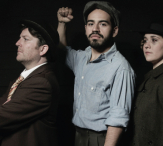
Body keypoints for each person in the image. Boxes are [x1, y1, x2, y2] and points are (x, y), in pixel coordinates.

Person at [57, 1, 135, 146]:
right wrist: (62, 23)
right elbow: (62, 51)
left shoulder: (120, 67)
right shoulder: (82, 57)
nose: (96, 29)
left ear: (115, 30)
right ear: (86, 28)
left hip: (101, 139)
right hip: (78, 136)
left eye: (103, 24)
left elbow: (118, 118)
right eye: (91, 24)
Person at [0, 19, 60, 146]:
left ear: (42, 49)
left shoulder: (41, 83)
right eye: (20, 38)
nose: (17, 43)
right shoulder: (22, 79)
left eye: (25, 39)